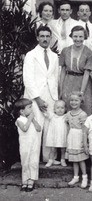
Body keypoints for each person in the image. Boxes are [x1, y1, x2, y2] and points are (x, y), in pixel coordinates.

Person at [23, 26, 59, 162]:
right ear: (37, 38)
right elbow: (28, 79)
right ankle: (33, 159)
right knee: (35, 127)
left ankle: (48, 158)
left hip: (51, 95)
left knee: (50, 128)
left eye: (47, 36)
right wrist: (37, 98)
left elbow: (55, 77)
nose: (45, 39)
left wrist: (56, 97)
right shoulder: (31, 55)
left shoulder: (54, 56)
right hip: (34, 96)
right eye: (42, 36)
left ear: (50, 38)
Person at [59, 25, 92, 115]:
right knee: (67, 106)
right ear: (71, 36)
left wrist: (81, 92)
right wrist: (61, 88)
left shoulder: (89, 53)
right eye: (75, 36)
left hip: (83, 83)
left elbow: (87, 73)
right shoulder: (65, 51)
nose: (78, 39)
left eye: (80, 36)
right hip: (68, 82)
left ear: (84, 37)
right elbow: (63, 70)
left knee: (84, 107)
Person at [14, 98, 42, 192]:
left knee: (33, 161)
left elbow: (39, 129)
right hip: (25, 145)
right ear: (22, 111)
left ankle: (31, 180)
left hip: (34, 143)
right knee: (25, 162)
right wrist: (29, 119)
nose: (32, 110)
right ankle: (25, 180)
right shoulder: (19, 120)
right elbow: (24, 128)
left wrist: (32, 119)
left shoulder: (31, 119)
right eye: (29, 108)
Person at [65, 91, 89, 188]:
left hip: (79, 136)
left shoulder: (82, 114)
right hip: (72, 136)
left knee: (81, 159)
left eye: (76, 100)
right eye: (72, 100)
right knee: (74, 159)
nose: (73, 102)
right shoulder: (68, 114)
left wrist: (84, 141)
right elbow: (68, 127)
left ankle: (84, 177)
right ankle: (75, 177)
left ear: (81, 102)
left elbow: (84, 130)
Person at [44, 100, 68, 167]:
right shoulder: (52, 116)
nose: (60, 110)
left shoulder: (66, 116)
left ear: (65, 109)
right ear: (54, 109)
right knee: (53, 149)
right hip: (54, 136)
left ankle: (62, 160)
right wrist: (45, 105)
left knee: (63, 149)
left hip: (62, 136)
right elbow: (45, 112)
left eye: (62, 108)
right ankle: (50, 160)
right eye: (58, 108)